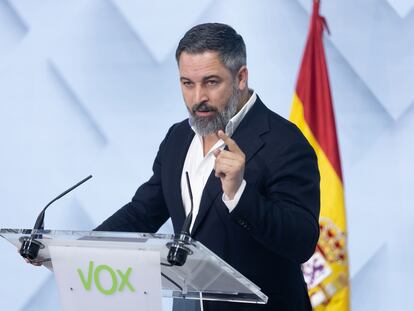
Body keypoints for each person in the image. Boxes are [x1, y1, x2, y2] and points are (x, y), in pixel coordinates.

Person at [96, 23, 320, 311]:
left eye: (211, 82)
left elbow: (301, 242)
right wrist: (73, 250)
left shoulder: (284, 141)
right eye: (187, 83)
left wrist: (239, 194)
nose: (197, 97)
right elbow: (143, 212)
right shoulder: (178, 137)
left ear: (241, 77)